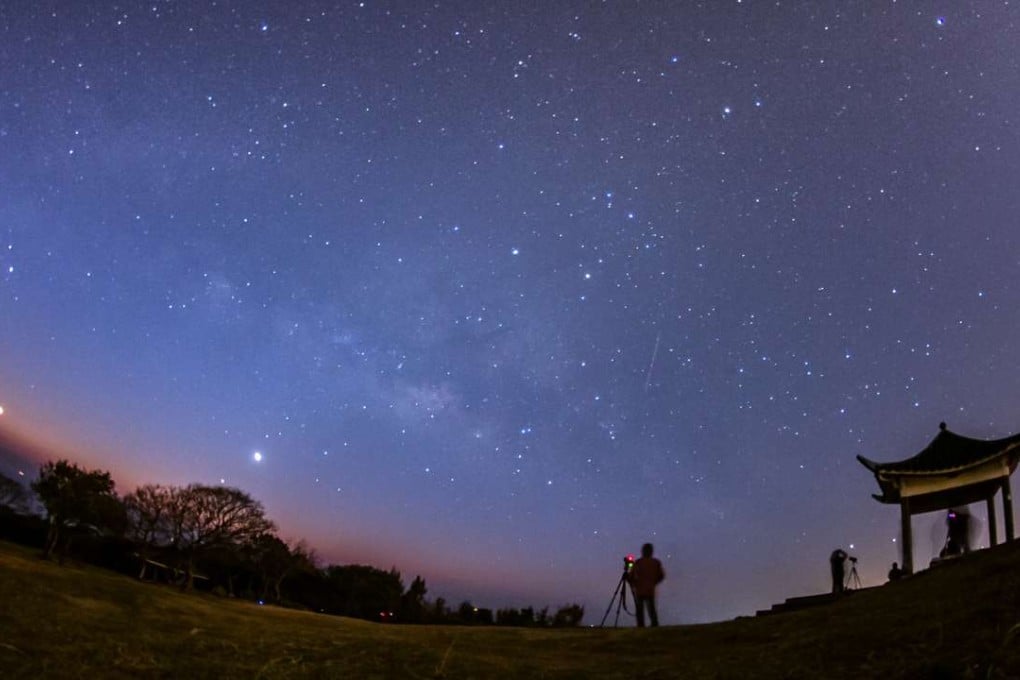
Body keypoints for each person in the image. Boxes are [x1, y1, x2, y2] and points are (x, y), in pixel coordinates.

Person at [628, 542, 665, 627]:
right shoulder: (656, 562)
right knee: (651, 609)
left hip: (640, 589)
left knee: (640, 610)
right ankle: (654, 624)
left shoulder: (638, 562)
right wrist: (654, 582)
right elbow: (661, 575)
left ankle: (641, 625)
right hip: (650, 590)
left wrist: (633, 583)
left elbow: (631, 576)